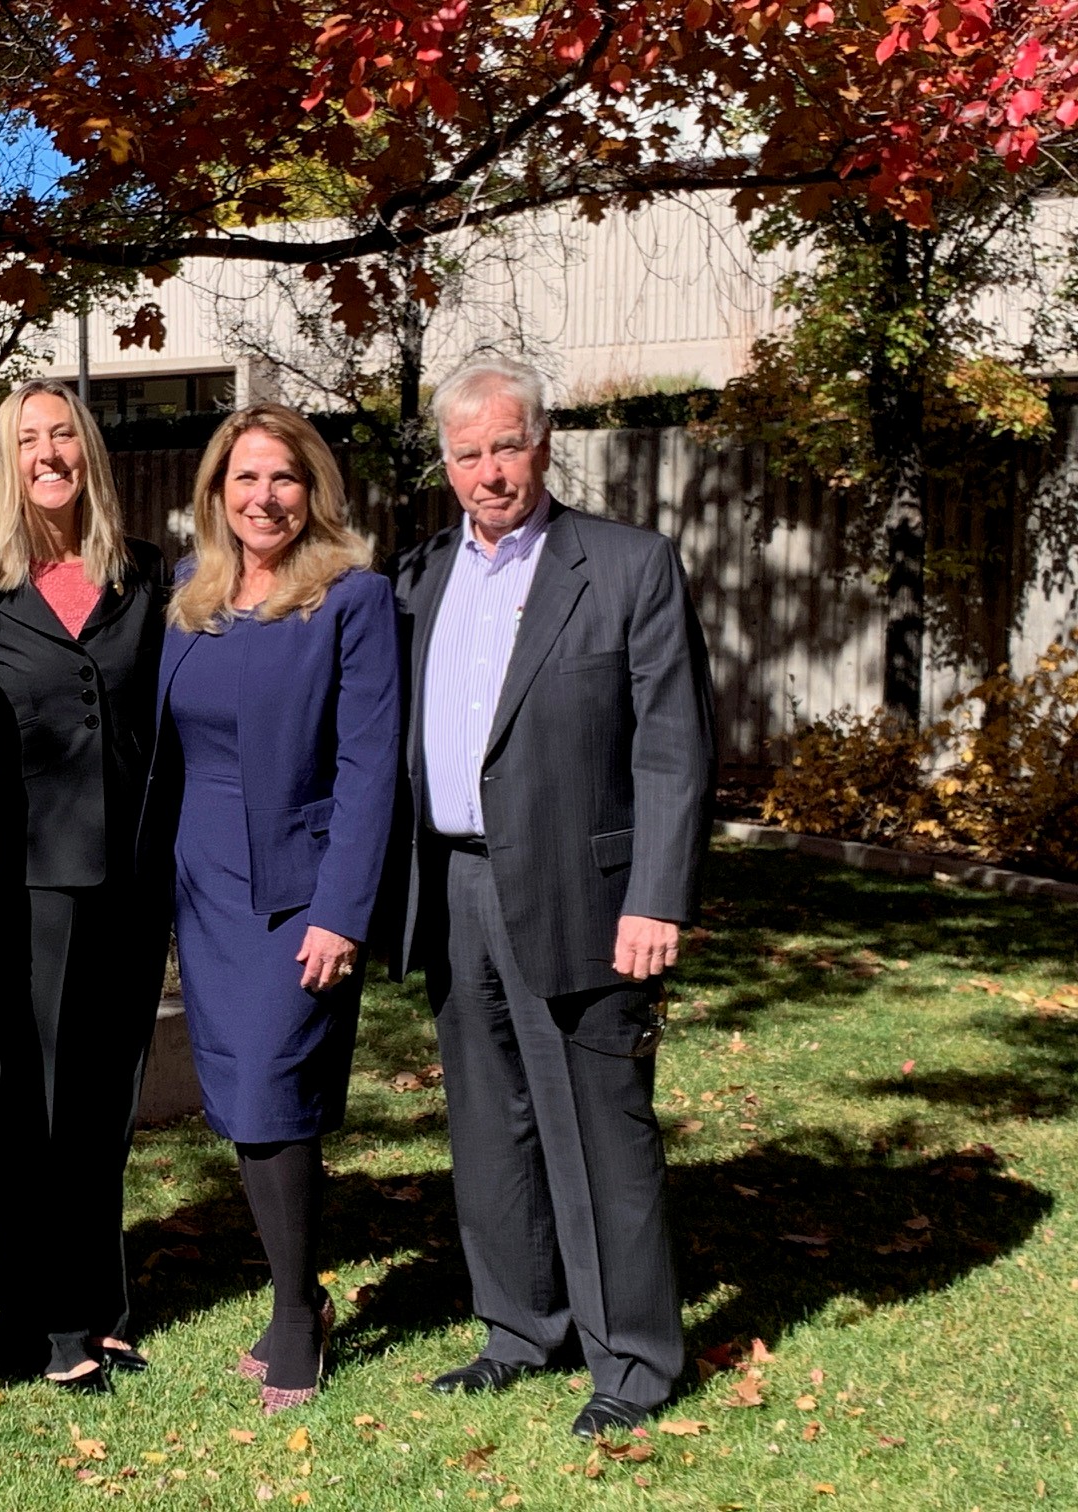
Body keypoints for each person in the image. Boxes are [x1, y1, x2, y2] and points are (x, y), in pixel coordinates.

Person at [388, 354, 715, 1439]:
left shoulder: (626, 565)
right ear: (447, 464)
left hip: (588, 891)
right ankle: (521, 1326)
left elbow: (674, 749)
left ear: (544, 443)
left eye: (507, 445)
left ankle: (633, 1359)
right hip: (455, 886)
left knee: (598, 1128)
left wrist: (658, 898)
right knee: (489, 1124)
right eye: (469, 452)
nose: (490, 471)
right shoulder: (424, 575)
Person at [141, 403, 399, 1414]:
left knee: (274, 1087)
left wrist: (343, 910)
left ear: (315, 491)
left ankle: (298, 1311)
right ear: (215, 493)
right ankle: (296, 1292)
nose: (264, 498)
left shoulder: (351, 598)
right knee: (241, 1100)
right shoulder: (190, 596)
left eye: (283, 479)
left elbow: (372, 764)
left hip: (298, 888)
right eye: (244, 479)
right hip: (202, 885)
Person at [0, 378, 170, 1392]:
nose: (48, 453)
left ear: (89, 453)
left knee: (103, 1099)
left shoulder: (147, 578)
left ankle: (103, 1300)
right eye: (28, 439)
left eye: (64, 435)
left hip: (131, 878)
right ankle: (41, 1319)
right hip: (27, 883)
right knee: (32, 1103)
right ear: (7, 460)